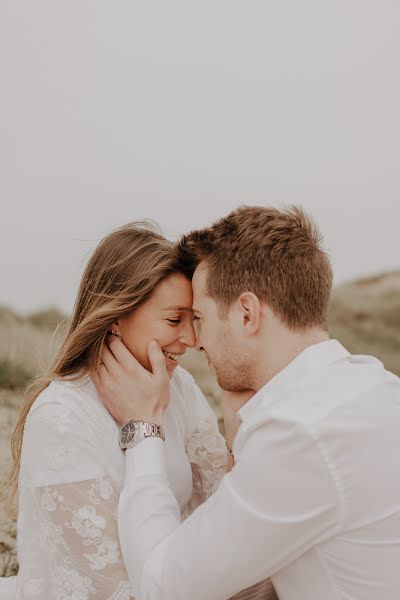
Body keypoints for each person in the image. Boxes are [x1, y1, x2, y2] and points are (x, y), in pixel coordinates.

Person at [95, 205, 400, 600]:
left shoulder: (300, 434)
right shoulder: (378, 386)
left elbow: (162, 587)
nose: (196, 341)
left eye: (201, 317)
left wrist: (142, 426)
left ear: (247, 313)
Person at [0, 223, 234, 599]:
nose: (190, 339)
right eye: (174, 320)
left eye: (193, 320)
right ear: (115, 316)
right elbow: (109, 586)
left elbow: (230, 509)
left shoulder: (180, 389)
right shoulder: (61, 417)